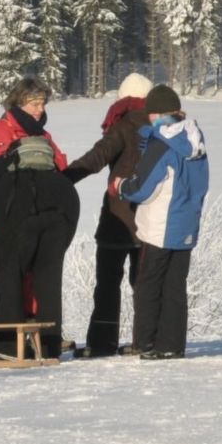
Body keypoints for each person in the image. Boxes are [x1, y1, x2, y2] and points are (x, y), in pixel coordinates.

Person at [63, 71, 154, 356]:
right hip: (151, 219)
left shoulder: (124, 124)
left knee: (107, 284)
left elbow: (97, 157)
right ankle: (145, 340)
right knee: (144, 284)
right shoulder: (162, 125)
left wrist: (62, 179)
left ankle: (103, 342)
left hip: (118, 217)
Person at [0, 117, 81, 358]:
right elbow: (72, 211)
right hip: (59, 218)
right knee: (49, 284)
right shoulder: (58, 177)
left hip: (17, 221)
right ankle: (50, 348)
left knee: (10, 280)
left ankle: (9, 348)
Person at [119, 85, 210, 359]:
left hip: (159, 227)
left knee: (148, 284)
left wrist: (122, 186)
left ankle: (146, 342)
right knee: (175, 286)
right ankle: (171, 345)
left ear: (156, 114)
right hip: (186, 225)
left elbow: (144, 188)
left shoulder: (162, 144)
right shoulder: (197, 142)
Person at [0, 78, 67, 170]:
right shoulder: (3, 128)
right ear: (19, 105)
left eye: (43, 104)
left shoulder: (41, 133)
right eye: (35, 105)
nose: (41, 109)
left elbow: (61, 165)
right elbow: (2, 168)